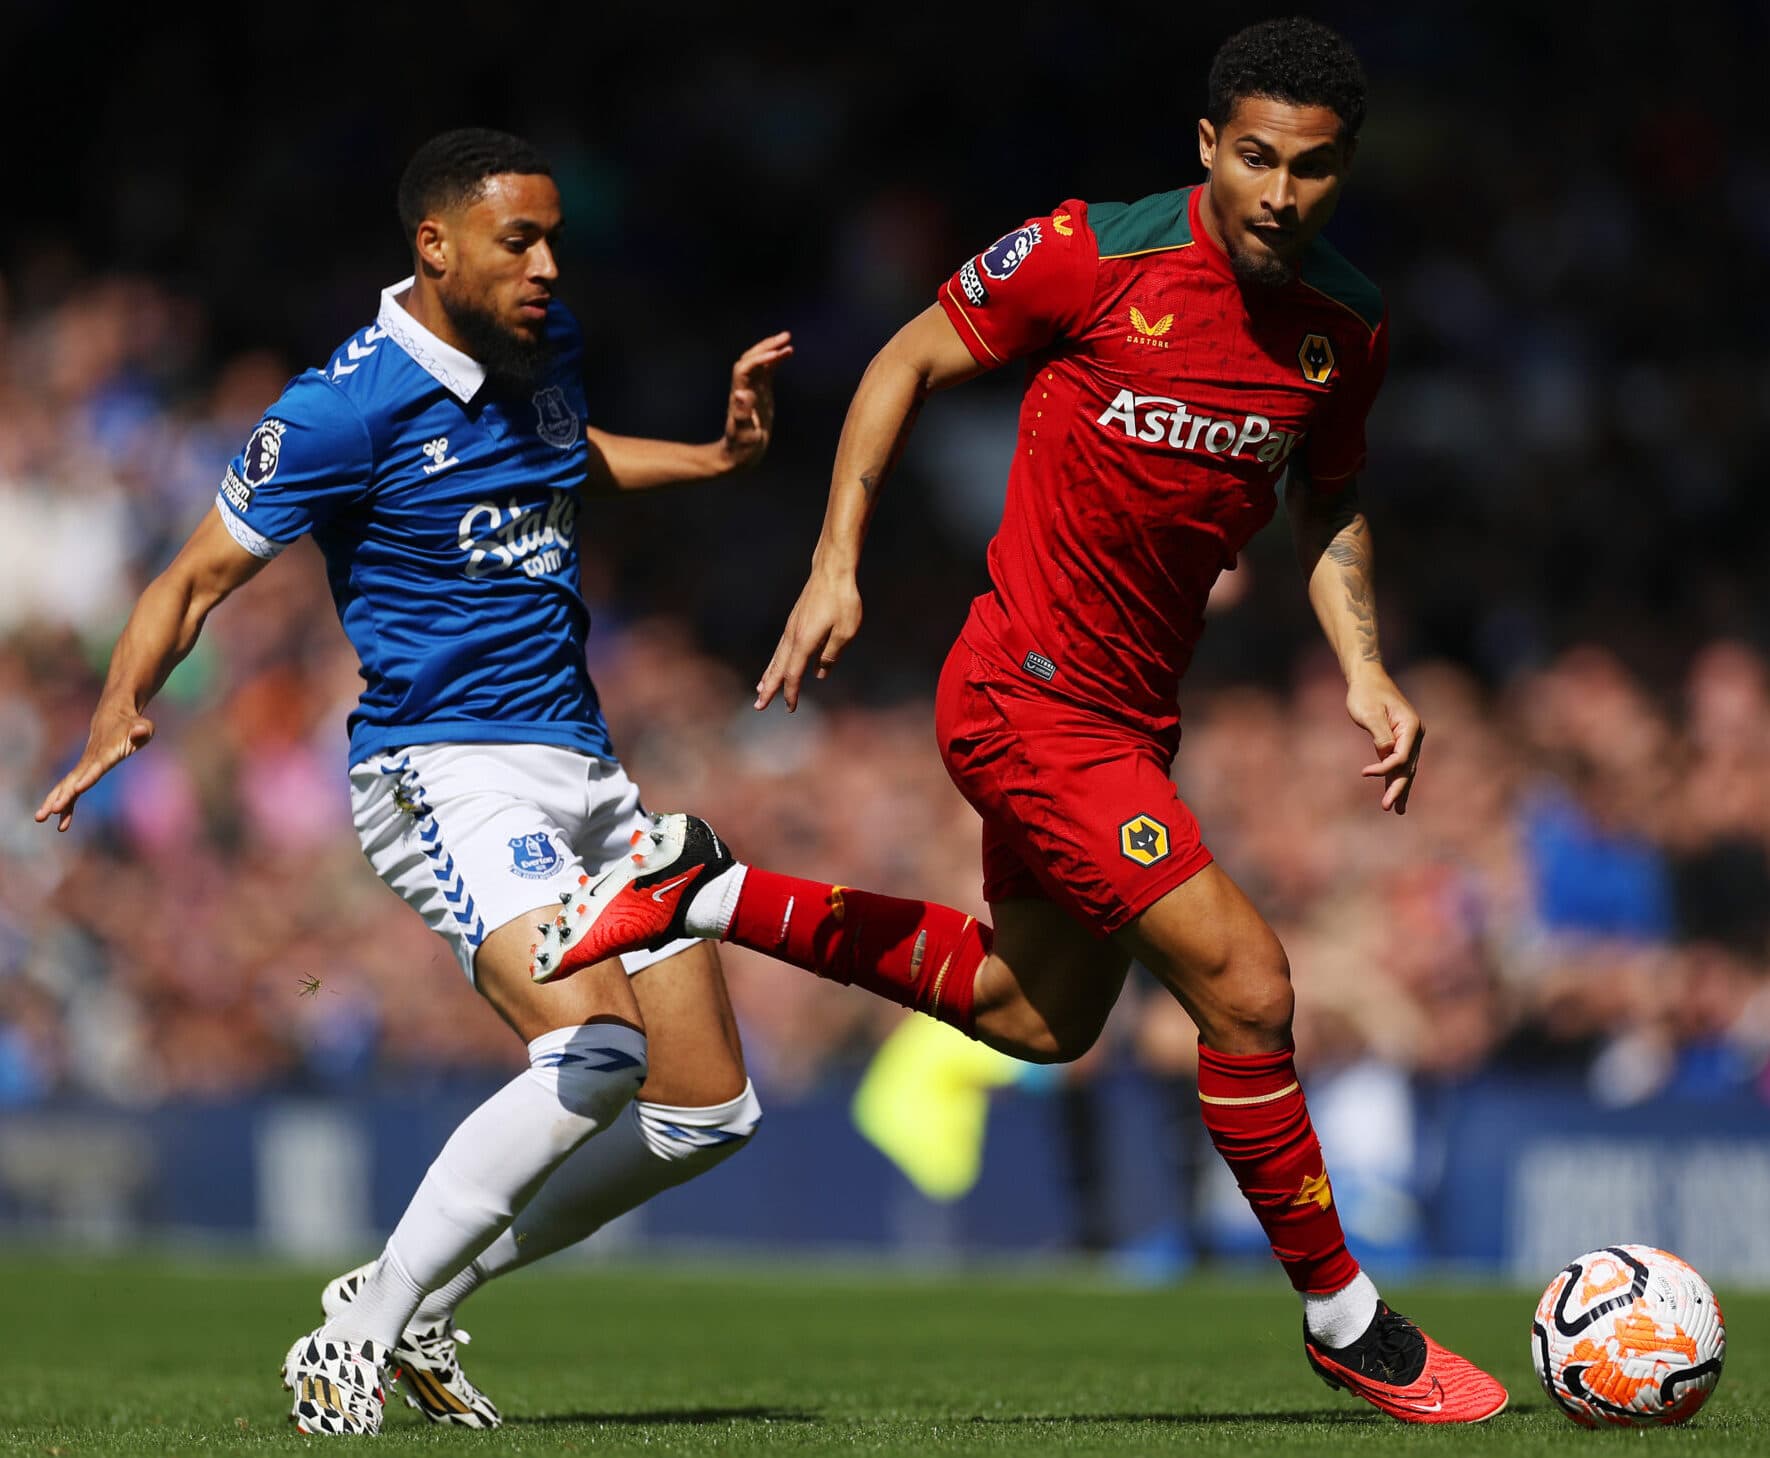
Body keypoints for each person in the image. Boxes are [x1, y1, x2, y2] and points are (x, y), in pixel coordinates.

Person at [533, 18, 1508, 1425]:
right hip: (1023, 699)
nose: (1278, 195)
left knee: (1032, 1012)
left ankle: (707, 885)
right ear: (1205, 147)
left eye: (1309, 168)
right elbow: (900, 362)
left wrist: (1365, 665)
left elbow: (1330, 497)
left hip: (1129, 714)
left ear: (1342, 169)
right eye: (1253, 159)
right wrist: (834, 559)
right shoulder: (1088, 251)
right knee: (1244, 982)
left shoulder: (1341, 326)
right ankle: (1345, 1318)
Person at [36, 129, 790, 1437]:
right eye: (520, 240)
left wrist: (714, 461)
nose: (549, 263)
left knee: (707, 1109)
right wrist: (120, 706)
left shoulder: (538, 346)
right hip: (445, 770)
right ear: (434, 246)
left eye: (554, 237)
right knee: (596, 1046)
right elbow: (190, 577)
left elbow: (569, 457)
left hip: (587, 769)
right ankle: (359, 1333)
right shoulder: (341, 407)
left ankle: (418, 1297)